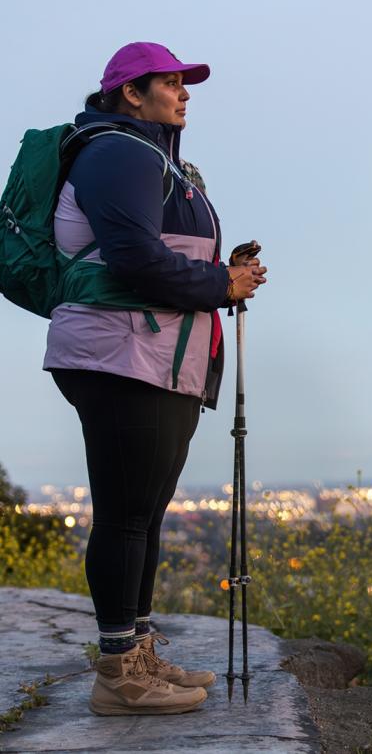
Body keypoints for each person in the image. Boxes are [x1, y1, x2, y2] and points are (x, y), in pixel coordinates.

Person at [45, 42, 268, 716]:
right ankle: (119, 675)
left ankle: (138, 653)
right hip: (122, 353)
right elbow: (134, 257)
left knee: (144, 512)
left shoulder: (152, 158)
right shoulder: (117, 152)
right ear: (130, 93)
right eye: (169, 82)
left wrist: (221, 272)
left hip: (154, 353)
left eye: (184, 82)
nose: (184, 91)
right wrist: (219, 282)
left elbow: (158, 248)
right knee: (124, 514)